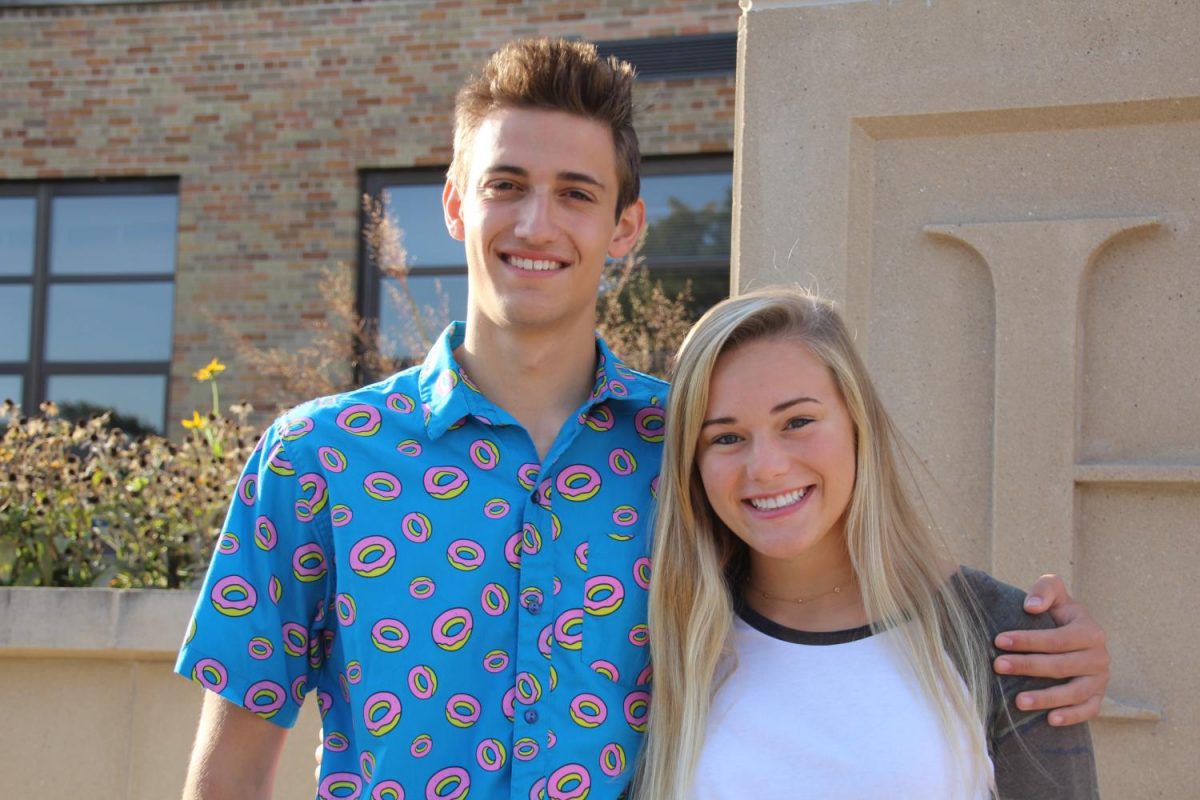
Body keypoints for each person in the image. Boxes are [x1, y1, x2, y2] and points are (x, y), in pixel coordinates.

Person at [177, 38, 1108, 800]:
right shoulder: (316, 459)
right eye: (506, 184)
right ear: (457, 205)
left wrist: (1023, 641)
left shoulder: (696, 449)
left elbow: (844, 579)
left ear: (625, 229)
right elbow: (231, 772)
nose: (537, 222)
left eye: (577, 193)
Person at [632, 288, 1099, 799]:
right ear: (692, 466)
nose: (765, 466)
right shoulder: (659, 638)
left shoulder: (1003, 636)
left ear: (859, 424)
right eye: (725, 437)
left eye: (798, 422)